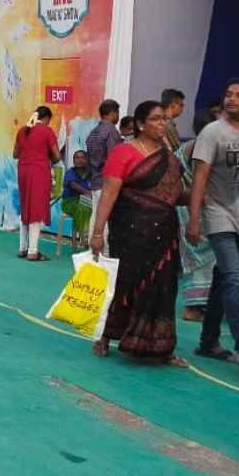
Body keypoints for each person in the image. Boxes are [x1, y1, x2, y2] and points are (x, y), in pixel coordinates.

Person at [89, 100, 187, 364]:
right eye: (155, 119)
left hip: (164, 232)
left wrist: (199, 197)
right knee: (125, 282)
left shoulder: (169, 155)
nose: (161, 124)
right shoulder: (124, 152)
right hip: (130, 231)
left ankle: (160, 347)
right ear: (140, 124)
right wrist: (97, 233)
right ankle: (107, 336)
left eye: (164, 119)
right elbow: (109, 194)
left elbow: (173, 195)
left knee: (163, 287)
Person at [188, 78, 239, 372]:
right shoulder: (212, 133)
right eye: (228, 94)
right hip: (217, 212)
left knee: (223, 279)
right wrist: (195, 218)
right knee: (235, 278)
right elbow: (200, 177)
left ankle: (208, 341)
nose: (232, 99)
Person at [176, 109, 218, 322]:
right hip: (194, 211)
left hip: (201, 209)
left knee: (210, 258)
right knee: (201, 258)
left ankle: (205, 304)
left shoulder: (190, 146)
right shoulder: (198, 148)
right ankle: (194, 307)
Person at [14, 106, 60, 261]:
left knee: (25, 206)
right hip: (39, 171)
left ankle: (22, 248)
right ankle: (33, 252)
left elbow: (15, 154)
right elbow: (57, 156)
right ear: (46, 118)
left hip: (23, 171)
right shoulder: (47, 131)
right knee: (36, 209)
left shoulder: (22, 130)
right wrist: (46, 158)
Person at [85, 99, 123, 256]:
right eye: (117, 113)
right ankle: (104, 255)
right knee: (105, 219)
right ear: (112, 113)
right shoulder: (111, 131)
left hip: (95, 180)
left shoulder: (93, 132)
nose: (118, 117)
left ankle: (92, 253)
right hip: (108, 182)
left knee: (96, 217)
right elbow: (116, 158)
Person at [61, 150, 93, 249]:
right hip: (69, 202)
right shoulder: (70, 172)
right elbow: (72, 185)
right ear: (73, 160)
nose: (79, 160)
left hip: (86, 201)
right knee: (82, 208)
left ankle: (88, 236)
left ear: (87, 160)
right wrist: (87, 192)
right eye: (76, 158)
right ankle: (85, 236)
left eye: (82, 157)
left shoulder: (91, 174)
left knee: (90, 208)